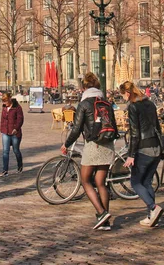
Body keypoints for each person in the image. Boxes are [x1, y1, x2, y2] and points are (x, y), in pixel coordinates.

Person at [61, 72, 114, 231]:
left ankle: (101, 213)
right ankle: (105, 222)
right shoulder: (106, 101)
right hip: (108, 144)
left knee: (85, 180)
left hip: (93, 144)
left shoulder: (84, 104)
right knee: (101, 183)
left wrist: (66, 144)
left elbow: (76, 129)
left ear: (84, 88)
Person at [120, 81, 164, 228]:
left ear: (127, 93)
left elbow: (134, 132)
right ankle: (151, 217)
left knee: (136, 182)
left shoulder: (133, 107)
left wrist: (131, 154)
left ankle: (153, 208)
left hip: (143, 149)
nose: (123, 98)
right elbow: (158, 127)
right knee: (147, 182)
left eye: (123, 95)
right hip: (156, 147)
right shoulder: (150, 103)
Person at [0, 92, 24, 177]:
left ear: (10, 99)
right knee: (5, 151)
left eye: (5, 101)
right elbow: (2, 119)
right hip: (5, 132)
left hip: (15, 133)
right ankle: (5, 170)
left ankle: (20, 166)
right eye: (3, 101)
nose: (4, 103)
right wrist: (2, 129)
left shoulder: (17, 107)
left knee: (16, 150)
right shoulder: (4, 107)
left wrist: (16, 128)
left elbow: (20, 119)